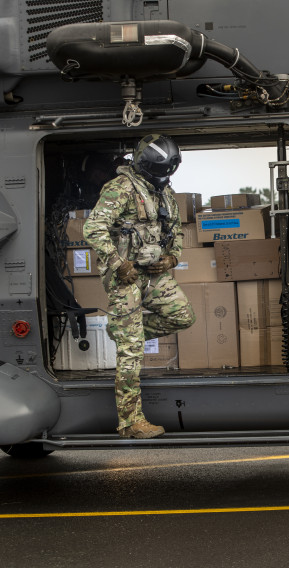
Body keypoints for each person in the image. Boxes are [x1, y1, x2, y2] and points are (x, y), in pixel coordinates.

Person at [84, 134, 195, 439]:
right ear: (144, 165)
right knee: (131, 352)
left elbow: (175, 230)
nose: (163, 177)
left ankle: (122, 330)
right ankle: (131, 422)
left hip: (154, 274)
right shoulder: (120, 189)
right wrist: (119, 264)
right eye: (158, 172)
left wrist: (172, 259)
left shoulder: (163, 191)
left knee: (183, 315)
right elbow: (93, 228)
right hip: (126, 277)